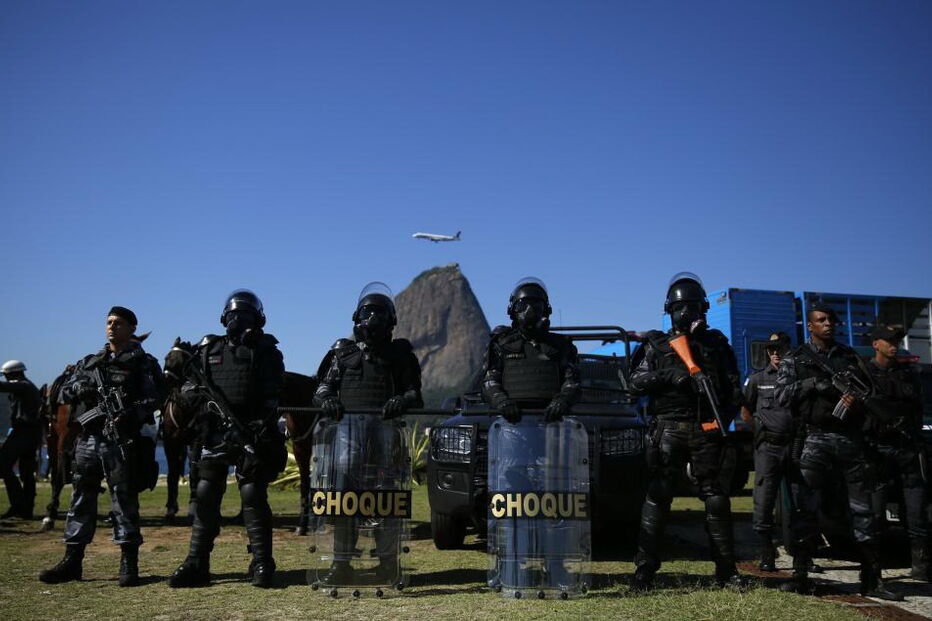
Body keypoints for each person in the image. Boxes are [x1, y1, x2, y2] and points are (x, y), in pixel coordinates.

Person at [775, 303, 902, 600]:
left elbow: (871, 394)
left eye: (831, 320)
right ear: (810, 326)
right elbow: (781, 396)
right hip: (814, 439)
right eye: (821, 320)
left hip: (849, 439)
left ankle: (872, 579)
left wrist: (857, 401)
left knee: (865, 510)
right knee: (806, 508)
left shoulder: (848, 356)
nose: (828, 324)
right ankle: (802, 574)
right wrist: (812, 384)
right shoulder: (796, 358)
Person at [631, 272, 745, 590]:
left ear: (704, 308)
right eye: (683, 308)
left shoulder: (717, 345)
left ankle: (726, 569)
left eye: (694, 307)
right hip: (668, 429)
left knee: (716, 500)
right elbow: (635, 383)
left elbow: (734, 392)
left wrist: (719, 421)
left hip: (704, 430)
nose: (688, 313)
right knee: (657, 499)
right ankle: (644, 569)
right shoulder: (657, 345)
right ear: (670, 310)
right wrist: (670, 377)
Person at [168, 290, 286, 589]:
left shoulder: (266, 351)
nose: (238, 319)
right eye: (234, 314)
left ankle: (262, 562)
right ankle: (197, 562)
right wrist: (193, 394)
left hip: (251, 436)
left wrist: (257, 429)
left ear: (258, 319)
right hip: (214, 434)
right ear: (224, 318)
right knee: (205, 494)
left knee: (252, 496)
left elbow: (273, 396)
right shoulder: (208, 350)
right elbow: (188, 388)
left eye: (245, 314)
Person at [39, 307, 161, 587]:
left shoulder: (143, 362)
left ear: (132, 328)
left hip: (121, 440)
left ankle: (128, 561)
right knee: (81, 497)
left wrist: (131, 412)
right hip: (89, 439)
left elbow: (155, 397)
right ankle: (73, 560)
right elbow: (64, 393)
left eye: (118, 323)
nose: (111, 327)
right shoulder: (90, 362)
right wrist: (81, 387)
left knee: (124, 499)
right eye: (108, 322)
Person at [313, 282, 423, 585]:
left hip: (386, 440)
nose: (373, 319)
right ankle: (341, 563)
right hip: (347, 439)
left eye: (378, 313)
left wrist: (402, 399)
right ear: (357, 317)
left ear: (389, 319)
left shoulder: (400, 355)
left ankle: (388, 563)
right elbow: (321, 389)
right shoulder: (342, 354)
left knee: (386, 503)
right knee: (345, 503)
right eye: (368, 312)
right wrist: (328, 401)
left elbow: (415, 393)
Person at [480, 277, 582, 591]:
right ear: (513, 310)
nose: (530, 311)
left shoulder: (562, 347)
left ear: (546, 309)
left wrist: (562, 401)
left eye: (536, 305)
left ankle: (557, 569)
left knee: (554, 504)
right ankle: (510, 569)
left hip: (551, 433)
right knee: (511, 505)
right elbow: (489, 382)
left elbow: (572, 381)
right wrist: (501, 401)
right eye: (524, 305)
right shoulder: (501, 345)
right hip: (512, 434)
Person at [742, 332, 819, 572]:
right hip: (768, 448)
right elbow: (745, 409)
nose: (775, 353)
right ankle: (767, 552)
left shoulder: (799, 378)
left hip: (795, 447)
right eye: (771, 349)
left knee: (801, 502)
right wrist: (759, 431)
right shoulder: (757, 379)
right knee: (763, 502)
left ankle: (802, 556)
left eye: (780, 349)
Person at [863, 324, 928, 581]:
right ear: (875, 344)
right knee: (875, 515)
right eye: (889, 340)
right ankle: (873, 570)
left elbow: (917, 409)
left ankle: (922, 567)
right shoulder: (863, 374)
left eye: (897, 340)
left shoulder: (908, 374)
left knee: (917, 512)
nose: (894, 344)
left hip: (907, 449)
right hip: (877, 451)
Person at [0, 360, 42, 519]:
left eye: (6, 375)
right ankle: (26, 509)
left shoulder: (23, 385)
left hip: (23, 432)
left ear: (14, 374)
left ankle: (18, 505)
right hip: (31, 433)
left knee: (3, 465)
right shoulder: (28, 386)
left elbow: (3, 386)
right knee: (26, 472)